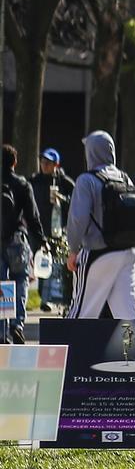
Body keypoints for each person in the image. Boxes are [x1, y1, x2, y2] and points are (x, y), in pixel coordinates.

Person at [64, 131, 135, 320]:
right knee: (130, 316)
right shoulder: (125, 178)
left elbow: (78, 218)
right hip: (129, 253)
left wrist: (73, 249)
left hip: (98, 253)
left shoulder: (87, 180)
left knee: (81, 313)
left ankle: (73, 349)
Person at [2, 145, 46, 344]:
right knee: (20, 280)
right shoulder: (22, 184)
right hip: (18, 242)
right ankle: (17, 325)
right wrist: (42, 240)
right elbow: (33, 216)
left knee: (2, 285)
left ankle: (2, 332)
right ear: (15, 163)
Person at [29, 147, 73, 239]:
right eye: (42, 162)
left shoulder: (64, 182)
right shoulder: (34, 181)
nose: (44, 165)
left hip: (58, 230)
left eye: (48, 163)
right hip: (37, 230)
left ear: (56, 165)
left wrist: (61, 198)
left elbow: (76, 204)